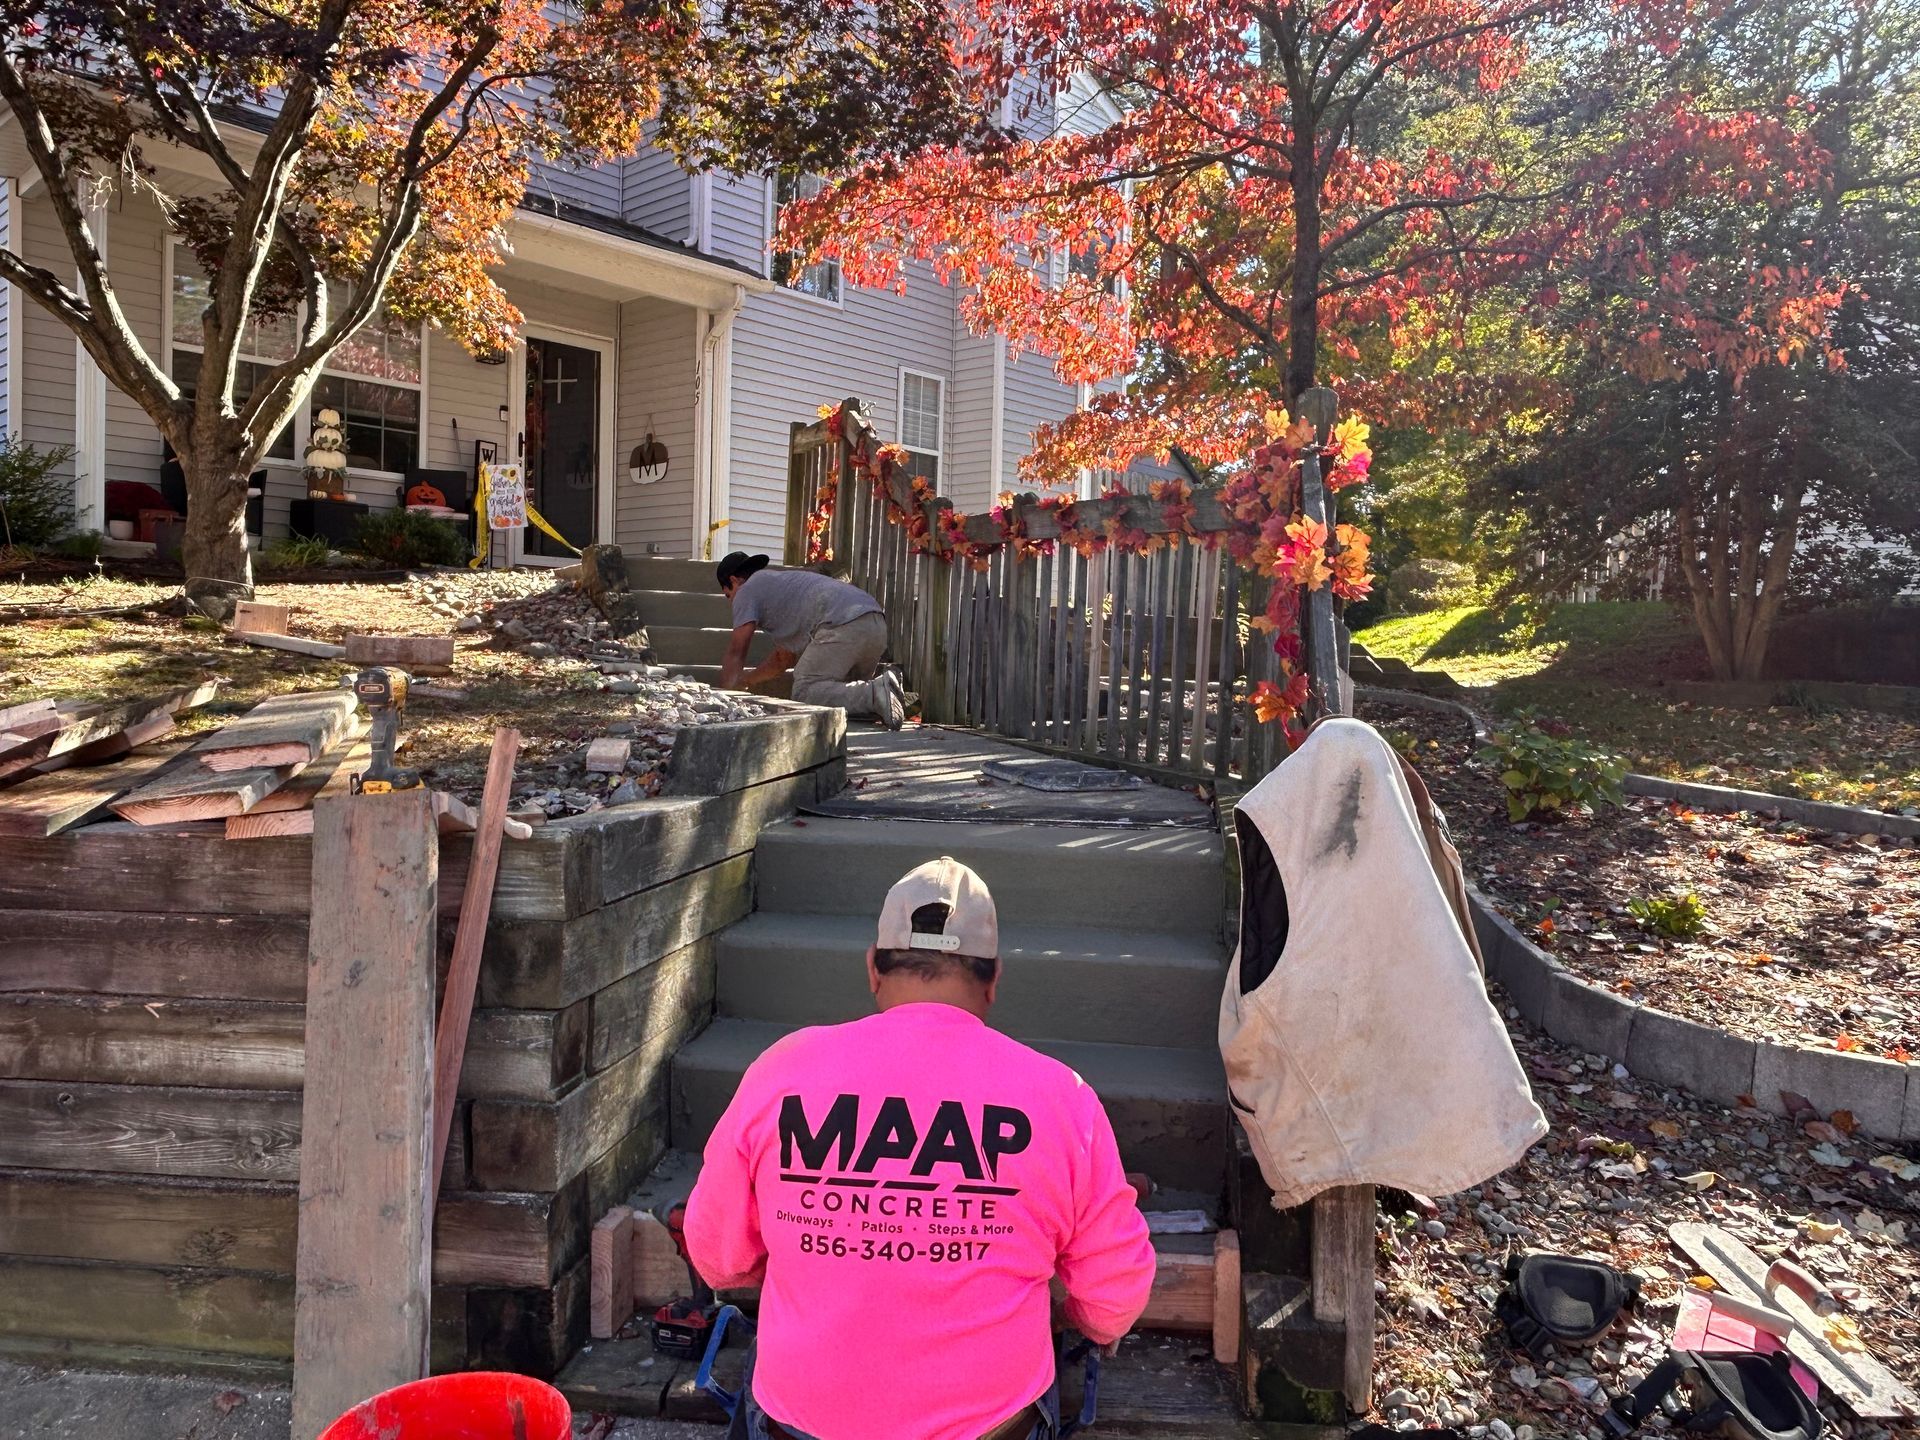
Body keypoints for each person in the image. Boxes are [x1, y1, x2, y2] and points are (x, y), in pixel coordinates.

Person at [683, 857, 1156, 1440]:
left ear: (873, 970)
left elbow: (719, 1258)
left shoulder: (783, 1071)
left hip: (799, 1424)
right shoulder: (1062, 1098)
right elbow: (1114, 1300)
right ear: (993, 979)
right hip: (989, 1427)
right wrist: (1059, 1311)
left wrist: (827, 1261)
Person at [714, 552, 906, 728]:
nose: (731, 601)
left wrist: (726, 694)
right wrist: (748, 680)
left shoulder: (746, 590)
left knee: (804, 691)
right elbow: (782, 660)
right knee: (841, 699)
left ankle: (875, 693)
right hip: (874, 622)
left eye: (727, 594)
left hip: (841, 624)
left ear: (733, 580)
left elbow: (736, 652)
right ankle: (884, 696)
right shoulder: (782, 587)